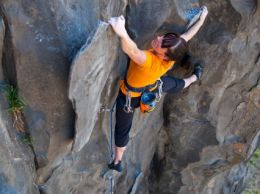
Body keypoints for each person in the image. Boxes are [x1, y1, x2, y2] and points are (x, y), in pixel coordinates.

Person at [108, 6, 208, 172]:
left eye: (163, 43)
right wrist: (202, 18)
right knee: (175, 84)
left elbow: (131, 50)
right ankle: (195, 77)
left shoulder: (148, 61)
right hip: (154, 84)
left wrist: (121, 31)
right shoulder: (170, 57)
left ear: (165, 55)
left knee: (122, 128)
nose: (159, 39)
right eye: (164, 38)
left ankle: (117, 161)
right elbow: (187, 36)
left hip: (130, 97)